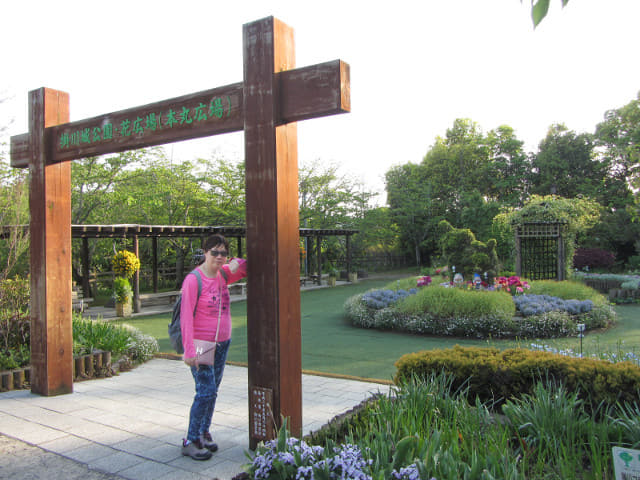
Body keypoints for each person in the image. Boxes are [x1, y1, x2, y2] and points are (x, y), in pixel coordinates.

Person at [180, 234, 247, 460]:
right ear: (205, 253)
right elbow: (186, 317)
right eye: (214, 252)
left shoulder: (223, 274)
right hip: (201, 344)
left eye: (223, 253)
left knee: (213, 390)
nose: (219, 257)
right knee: (205, 390)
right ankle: (190, 439)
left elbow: (248, 267)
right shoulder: (194, 279)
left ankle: (203, 432)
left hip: (222, 342)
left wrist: (235, 261)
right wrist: (189, 350)